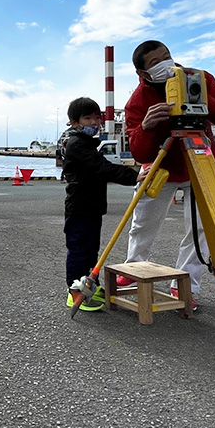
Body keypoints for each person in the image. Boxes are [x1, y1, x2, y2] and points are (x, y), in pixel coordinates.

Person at [121, 40, 215, 310]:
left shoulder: (198, 79)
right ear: (143, 74)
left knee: (200, 232)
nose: (167, 64)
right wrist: (147, 126)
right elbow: (140, 153)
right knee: (142, 225)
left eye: (167, 56)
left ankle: (186, 286)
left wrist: (201, 102)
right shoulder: (138, 101)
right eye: (155, 63)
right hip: (160, 168)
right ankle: (134, 274)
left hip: (200, 162)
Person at [61, 97, 138, 311]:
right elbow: (102, 168)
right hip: (80, 208)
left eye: (97, 117)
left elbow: (102, 168)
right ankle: (75, 292)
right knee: (79, 251)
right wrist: (135, 176)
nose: (94, 123)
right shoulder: (77, 144)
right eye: (88, 118)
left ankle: (89, 286)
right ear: (74, 122)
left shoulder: (86, 143)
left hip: (92, 207)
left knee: (91, 252)